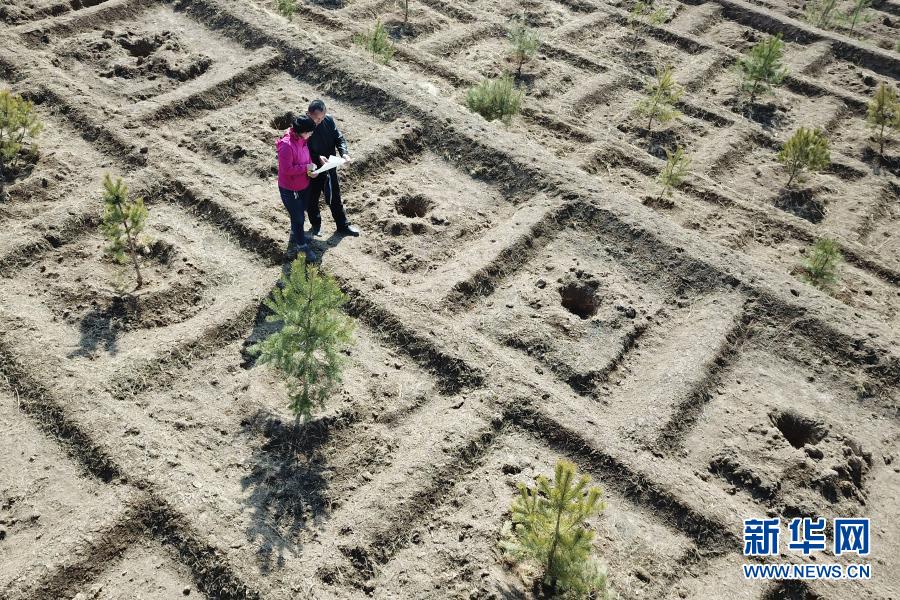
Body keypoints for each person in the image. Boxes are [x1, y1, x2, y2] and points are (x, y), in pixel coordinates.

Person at [305, 99, 360, 237]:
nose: (319, 121)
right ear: (308, 114)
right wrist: (317, 157)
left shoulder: (328, 120)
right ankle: (316, 225)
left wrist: (344, 153)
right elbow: (302, 150)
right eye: (317, 118)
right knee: (312, 199)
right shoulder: (303, 126)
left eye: (322, 117)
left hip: (330, 166)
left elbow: (339, 138)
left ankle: (343, 226)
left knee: (335, 196)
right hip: (312, 169)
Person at [276, 115, 318, 259]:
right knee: (298, 217)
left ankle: (296, 234)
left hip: (303, 184)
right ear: (303, 131)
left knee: (300, 213)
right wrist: (306, 167)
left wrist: (311, 170)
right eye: (310, 132)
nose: (311, 134)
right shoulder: (286, 146)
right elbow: (286, 169)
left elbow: (307, 158)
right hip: (290, 188)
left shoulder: (303, 139)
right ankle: (301, 246)